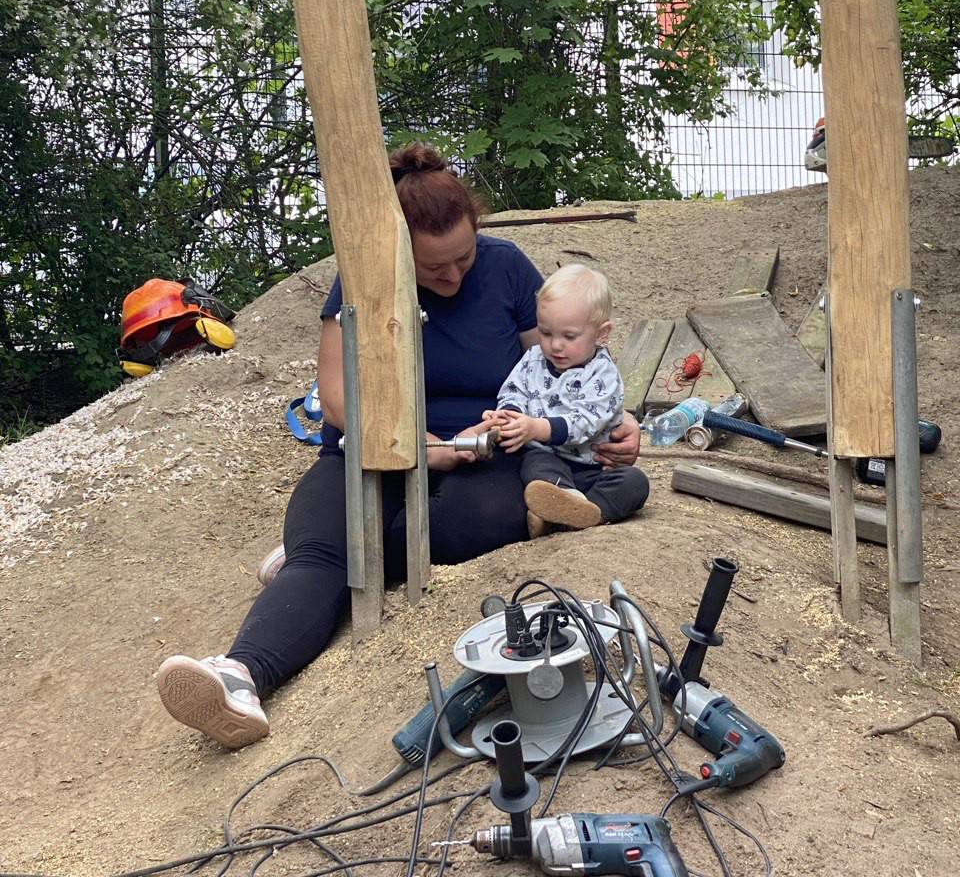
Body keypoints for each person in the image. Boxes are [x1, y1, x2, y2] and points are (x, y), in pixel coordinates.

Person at [156, 142, 643, 748]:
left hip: (485, 454)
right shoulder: (360, 279)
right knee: (331, 554)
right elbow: (336, 401)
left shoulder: (509, 268)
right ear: (396, 250)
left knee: (465, 523)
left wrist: (616, 422)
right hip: (371, 450)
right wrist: (421, 447)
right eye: (434, 266)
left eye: (464, 256)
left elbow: (564, 361)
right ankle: (239, 676)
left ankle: (322, 563)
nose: (454, 276)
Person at [484, 264, 649, 539]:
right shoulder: (534, 358)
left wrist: (537, 427)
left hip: (593, 466)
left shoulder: (603, 374)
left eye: (569, 336)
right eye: (546, 333)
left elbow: (586, 421)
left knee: (634, 482)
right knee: (535, 464)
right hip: (549, 460)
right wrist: (508, 415)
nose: (555, 345)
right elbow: (514, 390)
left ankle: (587, 512)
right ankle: (561, 504)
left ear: (600, 333)